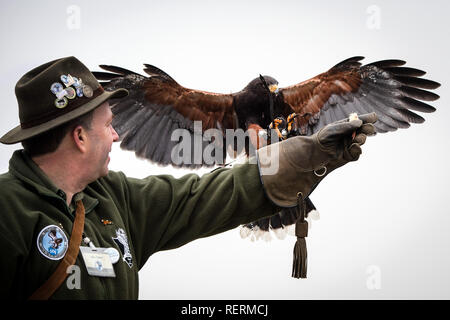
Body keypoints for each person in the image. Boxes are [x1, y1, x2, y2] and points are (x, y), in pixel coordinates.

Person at [0, 56, 376, 300]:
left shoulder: (117, 203)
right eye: (110, 126)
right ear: (79, 138)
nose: (118, 136)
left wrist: (302, 157)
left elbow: (199, 198)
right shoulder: (7, 212)